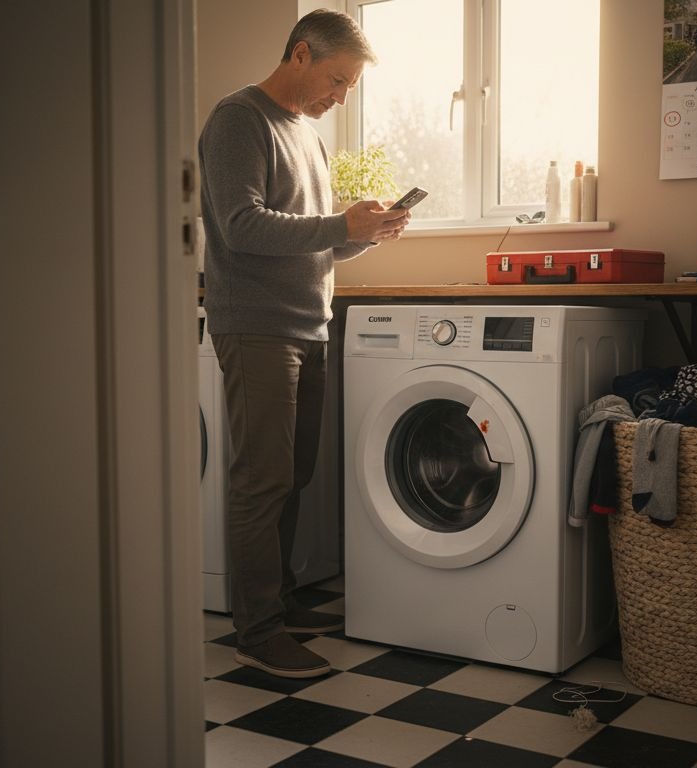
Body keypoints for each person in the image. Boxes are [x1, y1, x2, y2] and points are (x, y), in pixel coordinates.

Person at [198, 9, 410, 679]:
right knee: (262, 481)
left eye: (349, 86)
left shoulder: (309, 137)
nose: (341, 96)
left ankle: (279, 603)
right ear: (299, 55)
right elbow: (239, 227)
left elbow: (312, 238)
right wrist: (336, 223)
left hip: (308, 322)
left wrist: (363, 233)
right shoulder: (238, 119)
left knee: (293, 477)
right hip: (257, 326)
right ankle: (257, 632)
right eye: (338, 80)